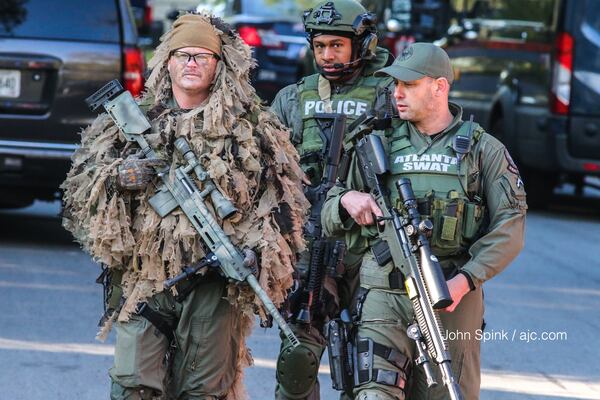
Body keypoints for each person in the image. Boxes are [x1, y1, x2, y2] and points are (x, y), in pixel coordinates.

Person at [61, 13, 308, 400]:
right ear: (168, 61)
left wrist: (257, 253)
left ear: (219, 65)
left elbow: (282, 204)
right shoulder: (132, 120)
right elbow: (80, 190)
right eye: (183, 55)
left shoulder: (252, 129)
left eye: (202, 57)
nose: (192, 64)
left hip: (215, 286)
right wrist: (120, 176)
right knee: (132, 385)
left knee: (203, 390)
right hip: (145, 277)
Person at [321, 42, 527, 399]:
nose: (397, 94)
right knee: (373, 393)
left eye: (409, 85)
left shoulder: (483, 151)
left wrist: (466, 280)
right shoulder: (374, 144)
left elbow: (510, 228)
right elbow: (328, 210)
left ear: (440, 86)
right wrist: (346, 200)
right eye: (395, 85)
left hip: (449, 297)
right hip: (383, 291)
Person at [270, 1, 398, 399]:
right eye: (319, 45)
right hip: (312, 248)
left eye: (337, 45)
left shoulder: (394, 94)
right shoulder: (294, 98)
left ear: (362, 44)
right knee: (296, 363)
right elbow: (264, 169)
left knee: (370, 368)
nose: (326, 55)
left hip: (373, 249)